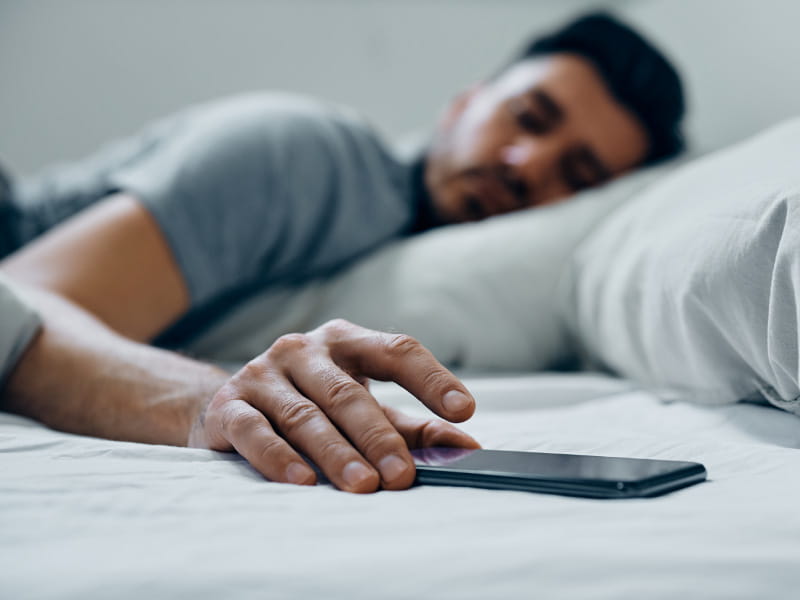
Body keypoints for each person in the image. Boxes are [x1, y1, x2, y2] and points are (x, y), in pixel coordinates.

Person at [0, 12, 685, 492]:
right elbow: (19, 304)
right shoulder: (316, 157)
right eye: (528, 119)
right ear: (462, 103)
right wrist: (215, 400)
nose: (528, 166)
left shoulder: (392, 248)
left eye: (579, 177)